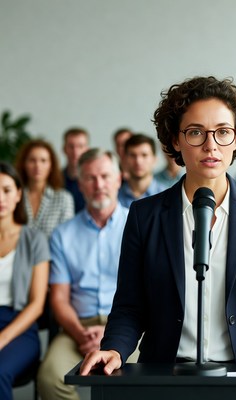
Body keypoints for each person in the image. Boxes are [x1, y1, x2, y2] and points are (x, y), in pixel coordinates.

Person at [79, 76, 236, 386]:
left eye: (223, 132)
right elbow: (130, 306)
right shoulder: (145, 216)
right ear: (175, 140)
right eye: (196, 132)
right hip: (167, 375)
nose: (211, 145)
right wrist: (114, 349)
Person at [37, 149, 131, 400]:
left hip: (129, 326)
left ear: (119, 178)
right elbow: (59, 299)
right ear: (80, 185)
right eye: (90, 178)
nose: (99, 184)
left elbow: (151, 290)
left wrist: (112, 335)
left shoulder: (138, 224)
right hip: (78, 328)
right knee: (50, 377)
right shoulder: (62, 234)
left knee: (143, 376)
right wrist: (82, 335)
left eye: (105, 176)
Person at [0, 162, 50, 400]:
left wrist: (2, 338)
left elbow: (37, 304)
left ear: (18, 194)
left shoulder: (34, 240)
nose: (1, 197)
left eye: (7, 190)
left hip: (19, 328)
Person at [14, 139, 75, 238]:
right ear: (24, 164)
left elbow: (67, 238)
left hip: (51, 253)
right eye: (32, 160)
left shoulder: (63, 198)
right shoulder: (14, 196)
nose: (38, 166)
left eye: (43, 160)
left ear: (51, 166)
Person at [118, 133, 167, 207]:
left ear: (154, 159)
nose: (138, 161)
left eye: (144, 155)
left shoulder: (167, 196)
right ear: (124, 159)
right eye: (132, 155)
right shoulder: (115, 197)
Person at [62, 127, 90, 213]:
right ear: (64, 149)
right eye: (71, 146)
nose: (75, 151)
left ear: (87, 149)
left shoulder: (95, 180)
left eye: (80, 146)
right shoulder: (55, 180)